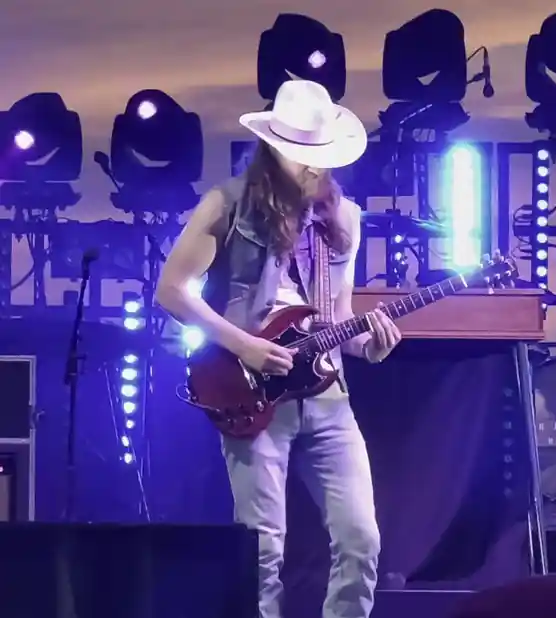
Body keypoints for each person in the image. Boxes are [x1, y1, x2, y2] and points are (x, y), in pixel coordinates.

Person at [155, 79, 400, 618]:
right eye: (305, 157)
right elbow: (171, 290)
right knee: (263, 550)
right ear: (276, 149)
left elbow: (337, 318)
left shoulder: (346, 219)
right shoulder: (227, 204)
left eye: (323, 156)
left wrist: (368, 344)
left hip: (327, 397)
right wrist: (244, 347)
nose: (316, 168)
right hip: (252, 395)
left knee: (362, 540)